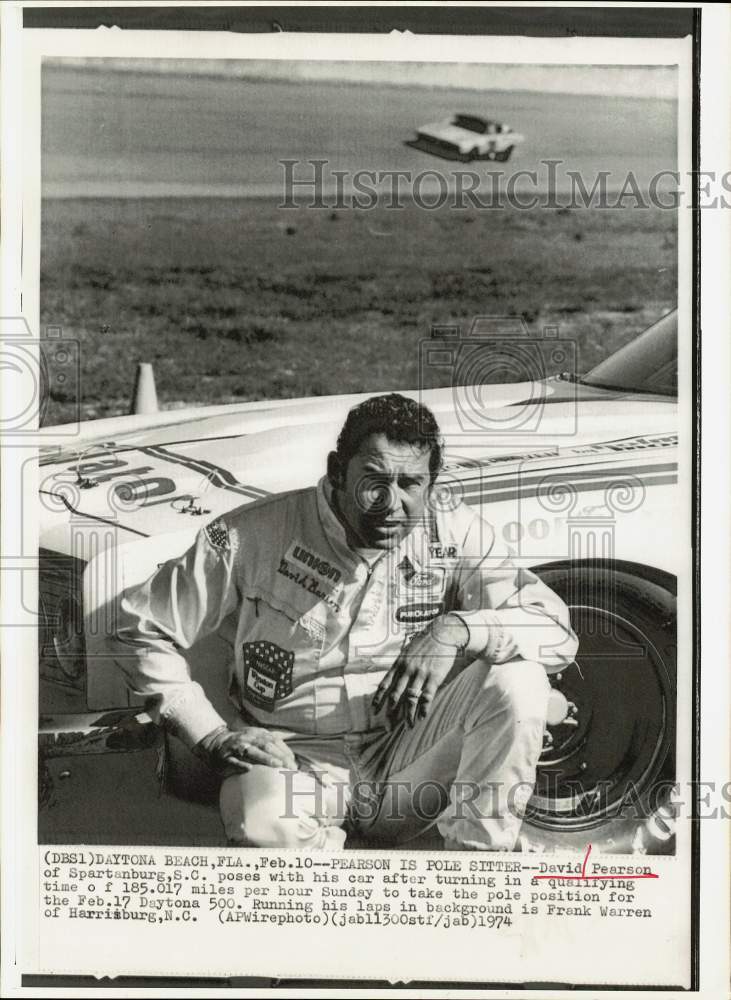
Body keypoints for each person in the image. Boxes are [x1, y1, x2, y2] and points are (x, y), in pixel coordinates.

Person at [110, 393, 578, 850]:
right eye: (373, 479)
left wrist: (455, 630)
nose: (390, 503)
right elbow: (138, 625)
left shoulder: (455, 532)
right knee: (263, 824)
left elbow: (555, 630)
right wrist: (210, 735)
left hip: (408, 762)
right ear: (336, 471)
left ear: (431, 486)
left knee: (520, 680)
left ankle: (476, 877)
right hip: (295, 762)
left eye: (410, 485)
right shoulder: (252, 534)